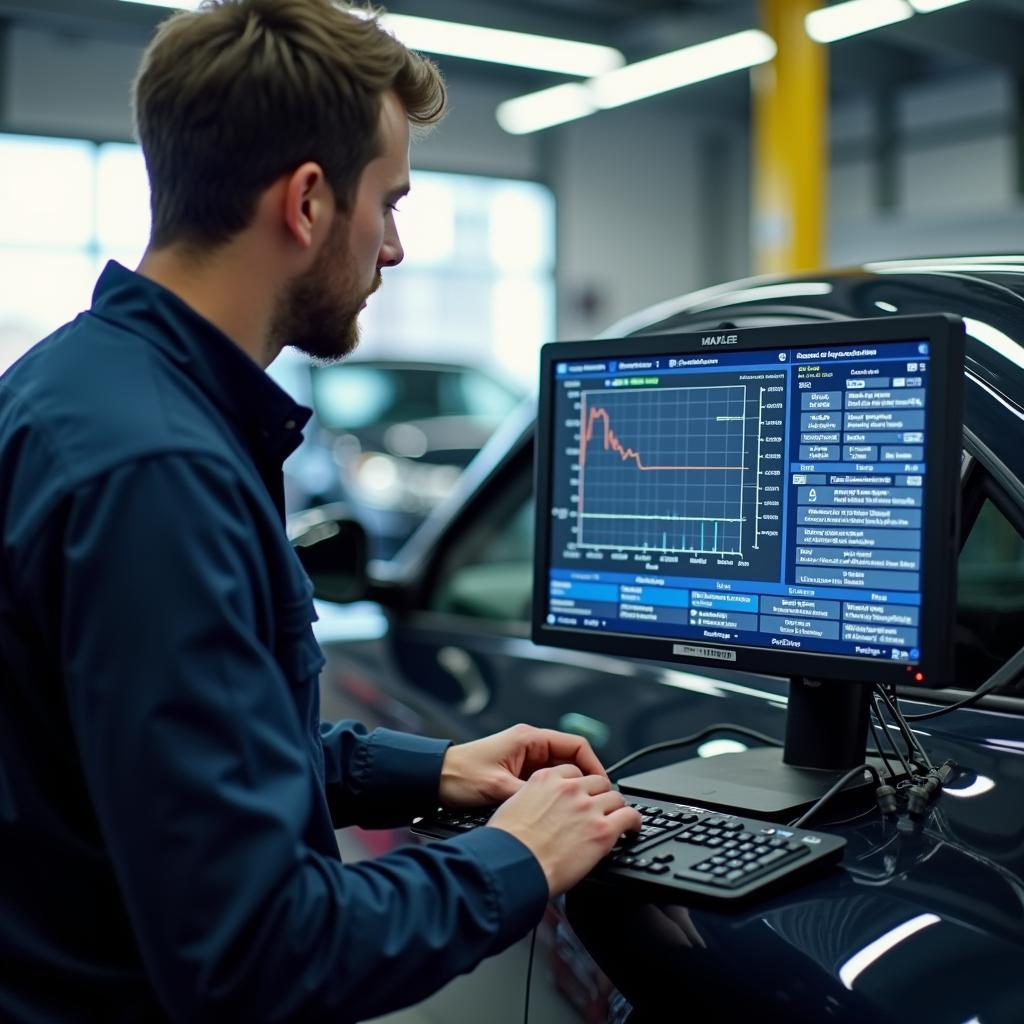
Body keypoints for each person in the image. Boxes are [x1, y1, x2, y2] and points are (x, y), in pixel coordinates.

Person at [0, 1, 642, 1021]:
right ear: (306, 202)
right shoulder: (158, 471)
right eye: (387, 202)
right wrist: (514, 857)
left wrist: (430, 769)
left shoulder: (79, 388)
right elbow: (259, 955)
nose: (391, 247)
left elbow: (170, 762)